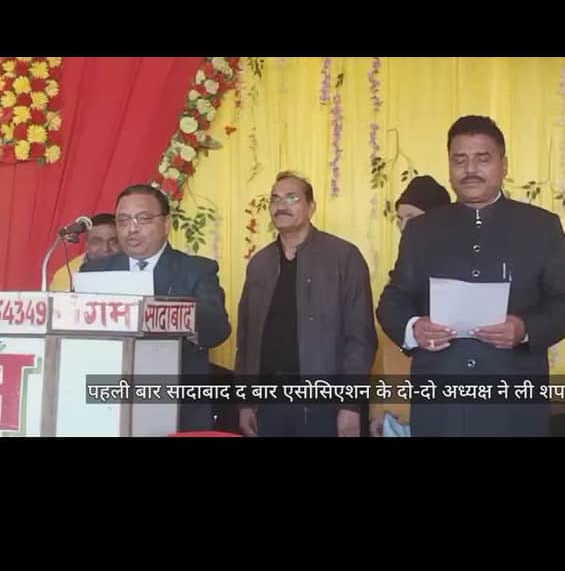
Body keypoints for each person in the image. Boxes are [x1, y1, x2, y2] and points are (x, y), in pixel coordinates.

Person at [376, 115, 565, 438]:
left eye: (483, 158)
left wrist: (525, 329)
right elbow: (393, 301)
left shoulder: (540, 227)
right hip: (441, 404)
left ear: (504, 165)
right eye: (459, 159)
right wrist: (414, 328)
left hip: (513, 404)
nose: (470, 169)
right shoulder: (422, 230)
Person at [236, 171, 377, 438]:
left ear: (311, 207)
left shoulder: (343, 257)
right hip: (268, 404)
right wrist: (245, 403)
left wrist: (350, 405)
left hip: (324, 405)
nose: (281, 205)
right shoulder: (259, 264)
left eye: (292, 198)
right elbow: (245, 339)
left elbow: (361, 338)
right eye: (275, 199)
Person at [80, 184, 231, 431]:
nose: (132, 229)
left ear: (167, 224)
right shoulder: (94, 272)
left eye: (143, 219)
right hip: (109, 402)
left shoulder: (196, 269)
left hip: (177, 403)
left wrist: (175, 315)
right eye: (123, 220)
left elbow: (217, 329)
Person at [370, 176, 451, 436]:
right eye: (400, 219)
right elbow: (385, 351)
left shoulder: (458, 275)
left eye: (412, 218)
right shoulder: (400, 279)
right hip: (395, 418)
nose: (405, 227)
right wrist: (377, 408)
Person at [50, 213, 120, 291]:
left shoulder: (131, 266)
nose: (105, 248)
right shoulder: (65, 276)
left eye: (114, 241)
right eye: (96, 241)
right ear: (86, 243)